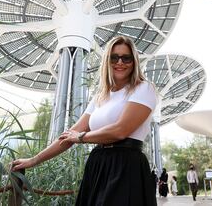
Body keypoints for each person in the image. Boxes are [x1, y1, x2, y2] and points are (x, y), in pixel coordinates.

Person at [11, 36, 157, 206]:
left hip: (125, 166)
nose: (120, 62)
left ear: (134, 62)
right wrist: (34, 160)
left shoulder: (143, 88)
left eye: (126, 58)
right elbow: (68, 136)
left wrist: (80, 137)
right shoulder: (100, 97)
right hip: (98, 165)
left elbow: (120, 130)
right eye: (114, 57)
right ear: (107, 61)